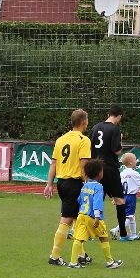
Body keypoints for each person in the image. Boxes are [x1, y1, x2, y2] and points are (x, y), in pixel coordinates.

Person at [45, 109, 92, 267]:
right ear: (83, 122)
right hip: (74, 183)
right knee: (67, 219)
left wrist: (49, 184)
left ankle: (82, 254)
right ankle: (55, 255)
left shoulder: (61, 139)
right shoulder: (83, 140)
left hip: (62, 183)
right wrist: (88, 183)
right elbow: (84, 163)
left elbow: (54, 163)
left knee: (77, 218)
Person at [66, 159, 123, 269]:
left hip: (81, 215)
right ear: (100, 173)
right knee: (103, 237)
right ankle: (110, 262)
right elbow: (97, 203)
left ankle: (73, 262)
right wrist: (97, 216)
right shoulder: (98, 187)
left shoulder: (85, 186)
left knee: (78, 239)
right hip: (92, 217)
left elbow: (79, 200)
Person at [90, 105, 128, 239]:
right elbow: (116, 150)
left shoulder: (95, 127)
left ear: (108, 113)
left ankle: (87, 231)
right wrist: (120, 140)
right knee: (119, 200)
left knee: (95, 200)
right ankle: (123, 233)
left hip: (96, 168)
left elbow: (91, 148)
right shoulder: (115, 129)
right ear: (119, 116)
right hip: (110, 168)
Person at [118, 152, 140, 240]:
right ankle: (116, 229)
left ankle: (134, 234)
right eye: (135, 160)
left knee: (131, 216)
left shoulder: (122, 173)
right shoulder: (133, 173)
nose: (136, 161)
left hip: (122, 196)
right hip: (130, 197)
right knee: (129, 217)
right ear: (131, 163)